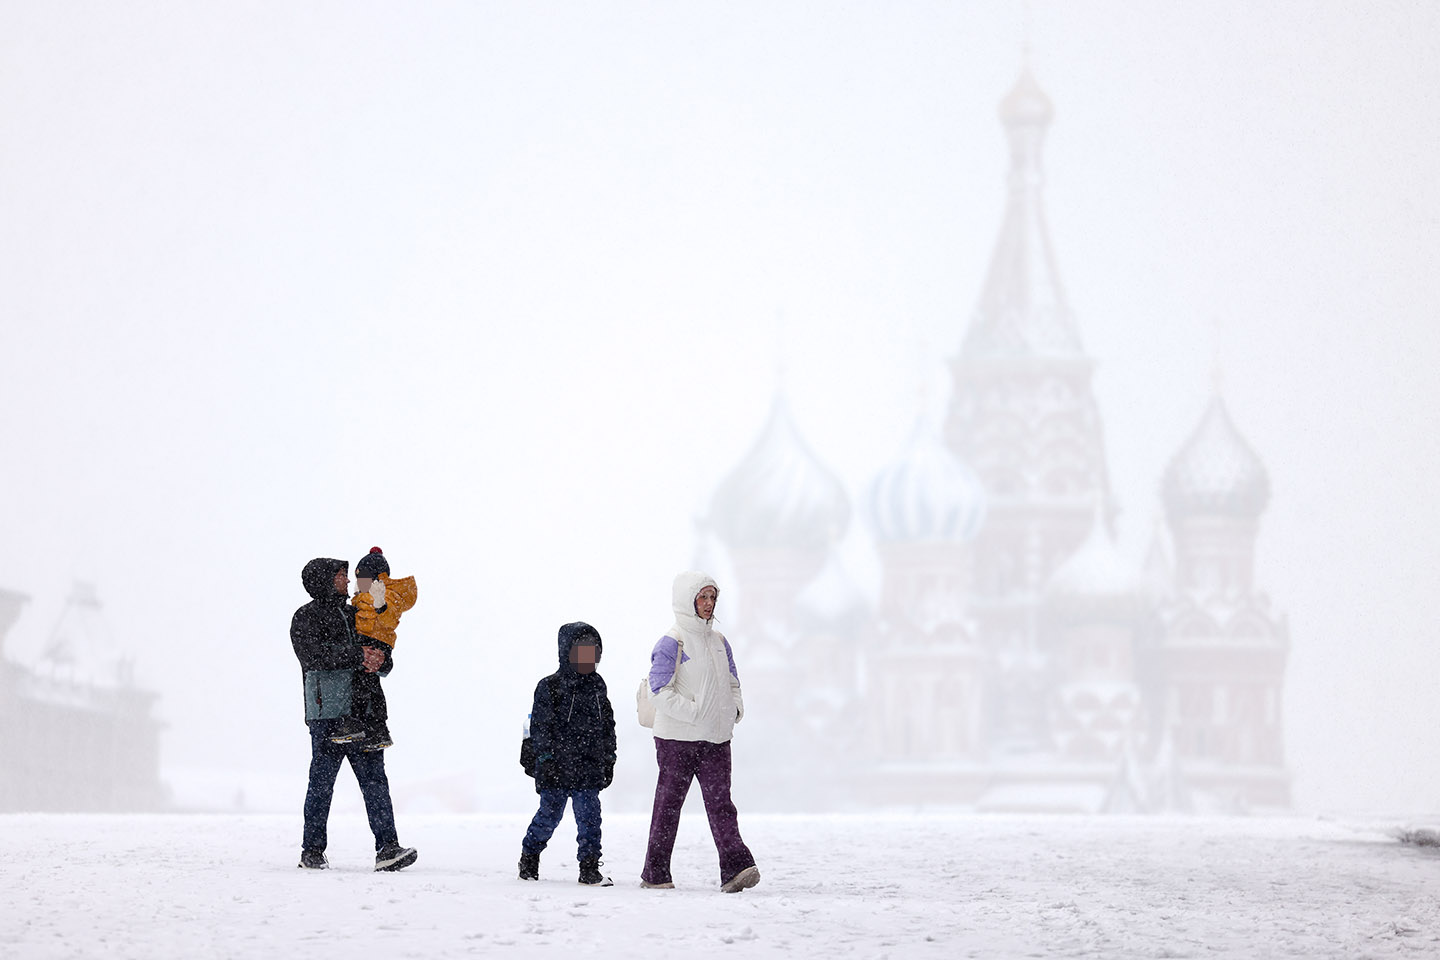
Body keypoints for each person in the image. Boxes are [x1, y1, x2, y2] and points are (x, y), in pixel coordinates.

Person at [291, 557, 417, 872]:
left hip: (366, 712)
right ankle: (312, 851)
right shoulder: (305, 617)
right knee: (321, 783)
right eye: (341, 575)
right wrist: (357, 654)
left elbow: (379, 648)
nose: (347, 581)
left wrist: (381, 661)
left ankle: (388, 849)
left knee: (375, 781)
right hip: (328, 713)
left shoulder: (356, 612)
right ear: (323, 580)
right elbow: (312, 656)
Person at [640, 571, 759, 893]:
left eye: (712, 597)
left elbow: (733, 682)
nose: (708, 604)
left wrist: (734, 709)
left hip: (717, 740)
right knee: (668, 807)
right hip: (677, 740)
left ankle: (736, 869)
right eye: (702, 597)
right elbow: (658, 690)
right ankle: (655, 873)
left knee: (722, 805)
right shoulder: (672, 641)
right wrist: (695, 713)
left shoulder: (719, 641)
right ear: (687, 600)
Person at [519, 621, 617, 886]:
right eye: (580, 652)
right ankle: (529, 856)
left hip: (588, 766)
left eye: (592, 652)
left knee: (590, 819)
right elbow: (540, 727)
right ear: (566, 653)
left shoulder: (598, 686)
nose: (587, 658)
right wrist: (546, 760)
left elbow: (607, 725)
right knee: (548, 817)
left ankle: (589, 868)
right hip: (557, 766)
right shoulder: (549, 687)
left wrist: (609, 759)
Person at [328, 546, 419, 750]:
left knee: (364, 685)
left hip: (377, 643)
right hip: (366, 642)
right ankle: (375, 729)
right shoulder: (361, 597)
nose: (358, 582)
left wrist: (381, 605)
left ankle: (363, 724)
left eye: (363, 578)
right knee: (367, 684)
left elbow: (390, 619)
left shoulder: (388, 595)